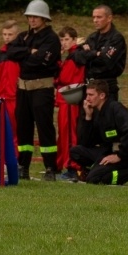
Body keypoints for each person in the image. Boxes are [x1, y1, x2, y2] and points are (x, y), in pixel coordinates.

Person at [6, 0, 61, 181]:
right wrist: (30, 52)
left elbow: (41, 61)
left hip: (41, 88)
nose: (32, 20)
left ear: (44, 18)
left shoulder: (51, 38)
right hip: (23, 89)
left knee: (45, 128)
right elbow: (11, 52)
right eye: (30, 17)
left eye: (36, 17)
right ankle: (23, 166)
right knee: (23, 128)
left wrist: (25, 55)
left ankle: (50, 167)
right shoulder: (24, 36)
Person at [69, 80, 128, 186]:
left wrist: (119, 156)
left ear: (102, 95)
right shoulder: (95, 111)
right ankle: (97, 170)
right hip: (107, 151)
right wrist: (88, 117)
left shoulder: (115, 108)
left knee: (94, 179)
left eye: (91, 95)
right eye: (87, 95)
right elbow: (85, 143)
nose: (87, 99)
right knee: (75, 151)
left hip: (125, 154)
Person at [71, 4, 127, 101]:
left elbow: (105, 60)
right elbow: (76, 57)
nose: (95, 20)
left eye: (99, 17)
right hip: (89, 87)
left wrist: (88, 54)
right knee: (87, 116)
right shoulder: (92, 37)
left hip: (106, 88)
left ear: (109, 18)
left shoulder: (116, 38)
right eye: (93, 17)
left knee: (106, 115)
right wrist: (94, 53)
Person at [55, 26, 86, 180]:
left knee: (69, 135)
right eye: (61, 39)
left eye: (67, 39)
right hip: (65, 100)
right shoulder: (71, 56)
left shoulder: (75, 56)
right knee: (65, 134)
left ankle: (72, 168)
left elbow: (64, 79)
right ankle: (67, 166)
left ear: (74, 39)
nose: (64, 42)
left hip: (69, 101)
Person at [0, 19, 20, 153]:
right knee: (0, 130)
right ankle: (3, 159)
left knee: (14, 130)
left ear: (16, 35)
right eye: (5, 34)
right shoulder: (0, 54)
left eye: (10, 34)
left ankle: (15, 159)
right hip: (1, 97)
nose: (7, 37)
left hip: (15, 97)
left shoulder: (20, 52)